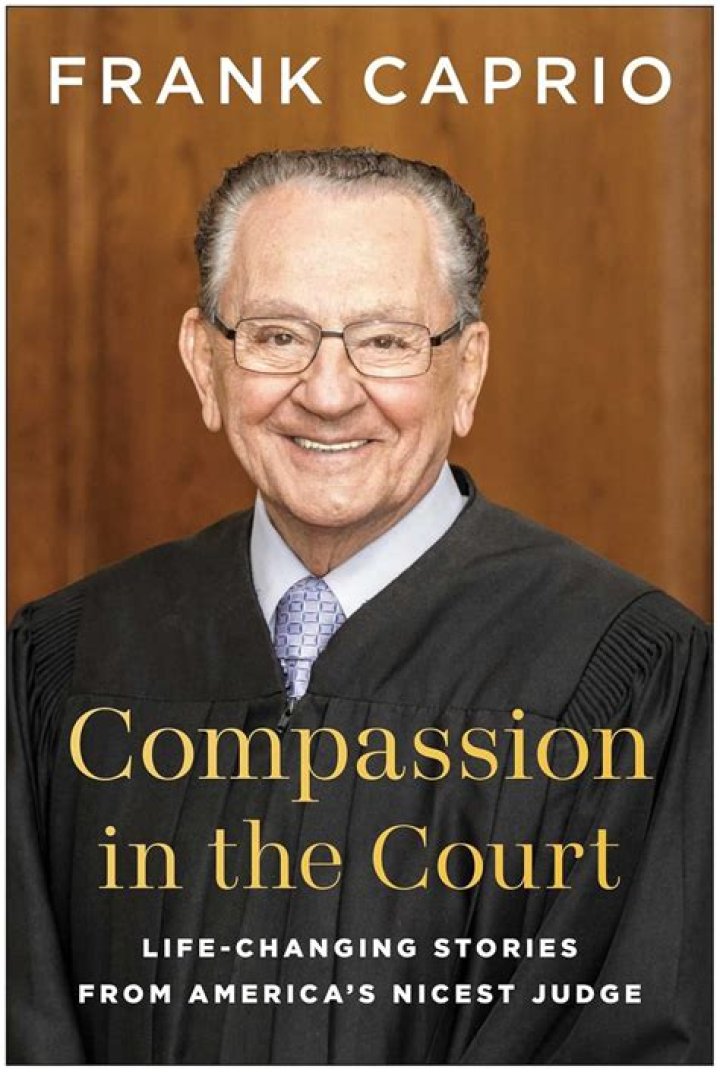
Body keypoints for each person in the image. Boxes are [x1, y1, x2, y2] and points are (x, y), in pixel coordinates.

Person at [8, 148, 711, 1064]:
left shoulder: (627, 675)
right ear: (204, 363)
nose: (329, 394)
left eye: (386, 340)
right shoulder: (66, 661)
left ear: (467, 370)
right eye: (277, 336)